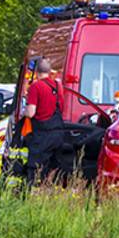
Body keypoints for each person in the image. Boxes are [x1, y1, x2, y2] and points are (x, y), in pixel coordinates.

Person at [24, 58, 71, 186]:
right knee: (54, 166)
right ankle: (52, 190)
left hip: (42, 135)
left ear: (37, 72)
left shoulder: (36, 86)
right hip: (58, 134)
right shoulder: (57, 86)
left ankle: (33, 192)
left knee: (36, 167)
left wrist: (25, 110)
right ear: (49, 71)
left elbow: (31, 113)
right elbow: (61, 108)